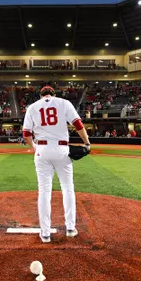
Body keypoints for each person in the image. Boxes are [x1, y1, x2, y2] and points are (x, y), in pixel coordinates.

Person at [22, 86, 91, 243]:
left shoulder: (32, 107)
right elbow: (78, 124)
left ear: (41, 95)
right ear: (53, 94)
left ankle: (45, 234)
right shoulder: (64, 103)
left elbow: (26, 134)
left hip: (42, 149)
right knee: (67, 188)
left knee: (44, 191)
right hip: (62, 149)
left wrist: (34, 147)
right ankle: (70, 228)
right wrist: (86, 143)